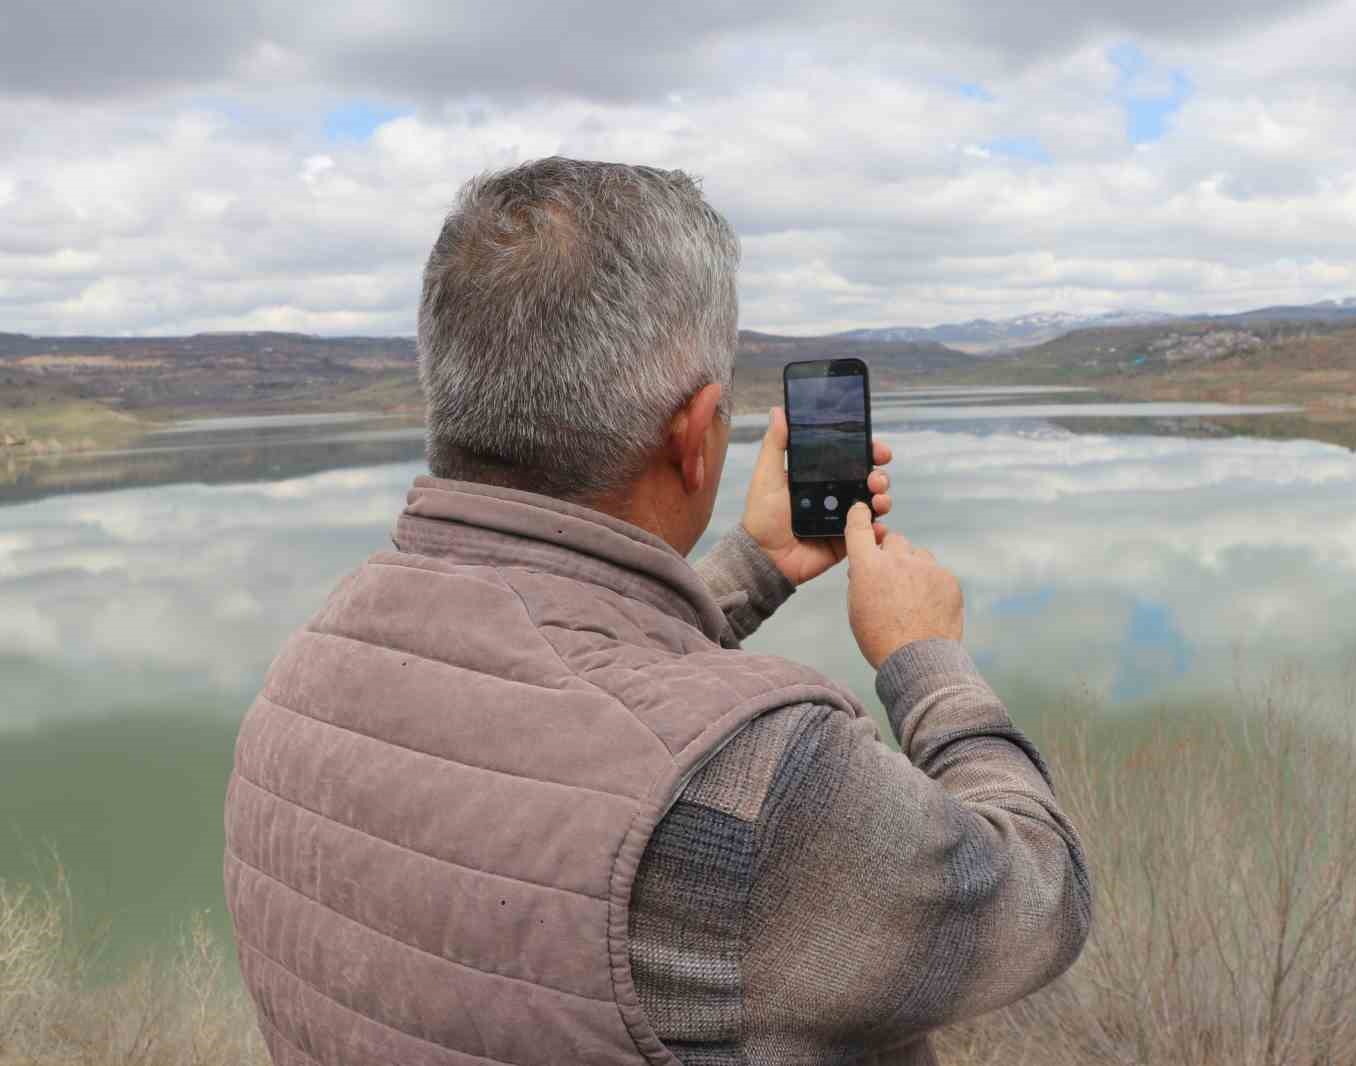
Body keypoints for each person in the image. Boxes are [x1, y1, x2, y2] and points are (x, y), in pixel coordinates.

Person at [222, 157, 1091, 1066]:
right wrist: (925, 659)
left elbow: (558, 695)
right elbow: (1038, 898)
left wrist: (751, 570)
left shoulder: (303, 677)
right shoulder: (764, 782)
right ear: (694, 434)